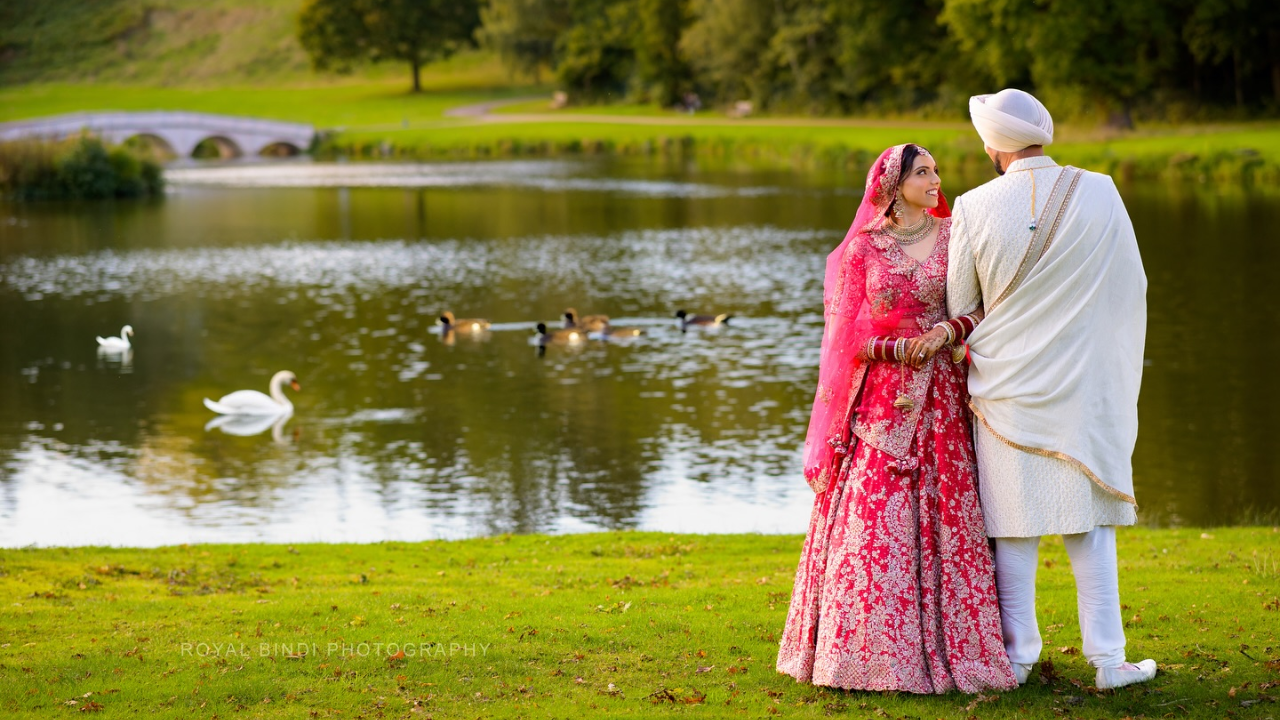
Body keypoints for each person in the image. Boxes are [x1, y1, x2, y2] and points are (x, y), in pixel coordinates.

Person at [775, 143, 1017, 694]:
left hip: (943, 398)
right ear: (895, 183)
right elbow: (845, 335)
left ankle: (960, 650)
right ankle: (862, 654)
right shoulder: (864, 248)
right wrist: (894, 349)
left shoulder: (956, 235)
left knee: (950, 513)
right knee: (873, 517)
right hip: (883, 400)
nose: (937, 179)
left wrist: (945, 334)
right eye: (924, 172)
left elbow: (984, 307)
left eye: (935, 171)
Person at [945, 88, 1157, 690]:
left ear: (993, 144)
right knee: (1088, 525)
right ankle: (1110, 663)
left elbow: (962, 307)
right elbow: (1131, 285)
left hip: (1004, 387)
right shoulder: (1103, 190)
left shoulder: (971, 205)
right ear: (1041, 133)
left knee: (1011, 526)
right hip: (1084, 389)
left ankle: (1014, 661)